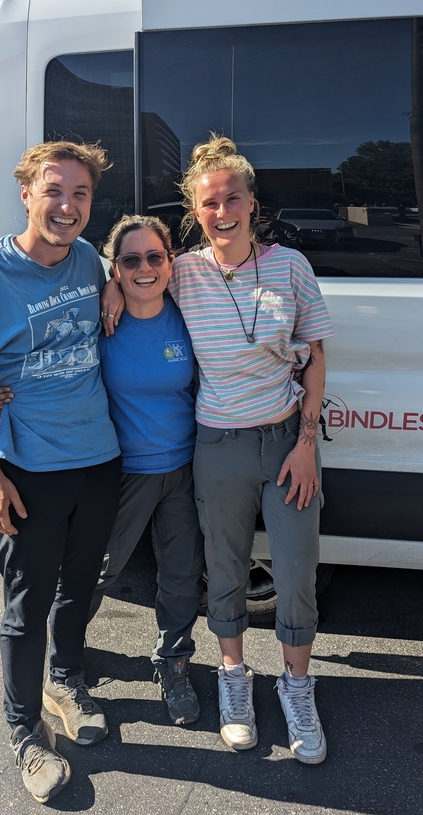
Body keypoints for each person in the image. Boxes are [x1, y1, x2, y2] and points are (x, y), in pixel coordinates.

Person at [103, 135, 334, 762]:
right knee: (225, 570)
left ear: (252, 203)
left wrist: (307, 441)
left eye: (233, 198)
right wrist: (110, 288)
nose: (223, 211)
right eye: (210, 202)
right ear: (196, 212)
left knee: (295, 572)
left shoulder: (291, 266)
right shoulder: (185, 272)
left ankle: (297, 687)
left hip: (286, 442)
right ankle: (235, 679)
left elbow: (315, 357)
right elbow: (135, 270)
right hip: (218, 444)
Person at [0, 141, 122, 805]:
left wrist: (116, 282)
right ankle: (24, 732)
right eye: (54, 190)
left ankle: (65, 680)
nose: (67, 206)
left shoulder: (90, 261)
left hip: (98, 459)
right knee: (26, 605)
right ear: (27, 194)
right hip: (29, 467)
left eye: (80, 194)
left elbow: (133, 279)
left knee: (80, 586)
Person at [0, 215, 205, 726]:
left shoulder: (189, 314)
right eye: (130, 260)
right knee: (95, 572)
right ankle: (63, 662)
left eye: (155, 257)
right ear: (114, 268)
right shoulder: (97, 323)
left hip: (184, 466)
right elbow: (38, 359)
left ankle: (173, 661)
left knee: (181, 575)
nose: (145, 268)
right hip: (122, 471)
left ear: (170, 261)